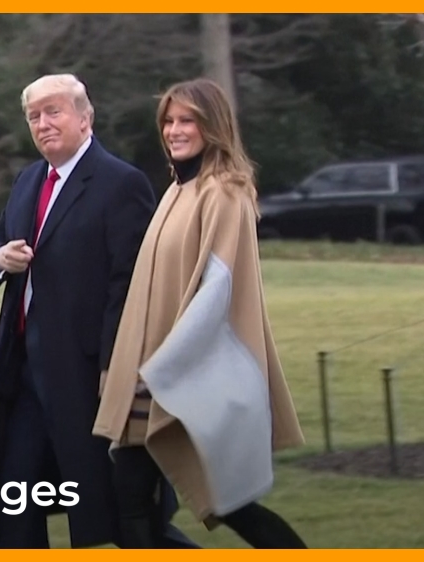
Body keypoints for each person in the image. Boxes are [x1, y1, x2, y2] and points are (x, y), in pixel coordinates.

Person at [0, 73, 198, 549]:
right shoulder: (29, 179)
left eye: (54, 111)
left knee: (114, 512)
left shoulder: (120, 184)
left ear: (85, 119)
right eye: (34, 116)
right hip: (21, 374)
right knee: (13, 501)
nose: (43, 124)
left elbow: (127, 286)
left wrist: (114, 368)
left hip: (86, 377)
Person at [91, 77, 308, 548]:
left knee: (228, 504)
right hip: (147, 377)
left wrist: (167, 368)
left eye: (187, 120)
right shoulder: (176, 190)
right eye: (168, 121)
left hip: (184, 376)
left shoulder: (224, 193)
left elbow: (217, 292)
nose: (174, 130)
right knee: (130, 500)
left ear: (213, 126)